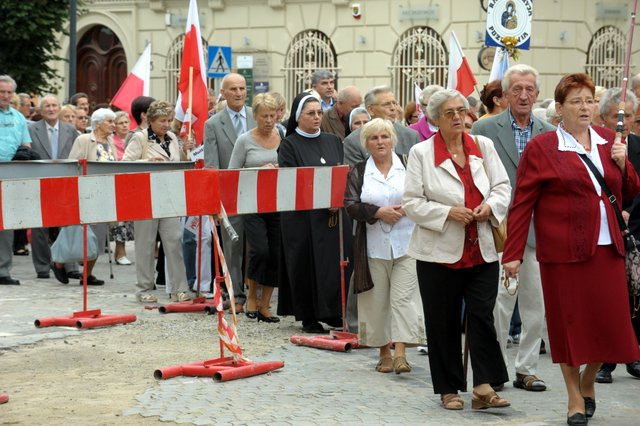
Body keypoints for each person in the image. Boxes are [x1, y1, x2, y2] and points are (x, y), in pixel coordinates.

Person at [503, 73, 640, 425]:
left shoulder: (610, 139)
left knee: (609, 324)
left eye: (589, 100)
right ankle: (574, 397)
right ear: (559, 109)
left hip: (607, 249)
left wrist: (624, 165)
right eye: (576, 101)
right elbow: (522, 204)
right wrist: (513, 254)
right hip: (562, 253)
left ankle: (589, 378)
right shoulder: (542, 148)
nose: (585, 107)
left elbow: (629, 190)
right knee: (569, 326)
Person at [403, 89, 512, 411]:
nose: (457, 117)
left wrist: (490, 206)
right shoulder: (422, 153)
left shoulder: (484, 146)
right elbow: (411, 202)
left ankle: (483, 386)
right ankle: (448, 388)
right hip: (438, 252)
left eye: (461, 111)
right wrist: (446, 212)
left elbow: (502, 186)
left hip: (481, 249)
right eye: (449, 112)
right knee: (443, 321)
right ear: (434, 119)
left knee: (481, 317)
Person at [471, 64, 555, 393]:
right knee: (500, 304)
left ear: (537, 93)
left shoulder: (549, 131)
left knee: (536, 304)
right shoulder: (485, 128)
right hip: (500, 228)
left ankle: (527, 369)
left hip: (539, 230)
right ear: (504, 95)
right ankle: (495, 369)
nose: (523, 95)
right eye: (516, 89)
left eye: (530, 89)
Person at [344, 118, 426, 374]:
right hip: (373, 246)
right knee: (376, 301)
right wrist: (378, 212)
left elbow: (424, 194)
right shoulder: (358, 171)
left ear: (393, 139)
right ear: (366, 143)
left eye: (384, 137)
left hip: (408, 244)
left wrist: (407, 208)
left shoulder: (409, 164)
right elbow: (350, 205)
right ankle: (384, 353)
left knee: (403, 299)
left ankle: (401, 353)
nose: (380, 142)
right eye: (374, 138)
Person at [277, 93, 353, 333]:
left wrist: (336, 197)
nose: (317, 117)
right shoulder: (289, 144)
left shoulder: (333, 141)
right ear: (298, 118)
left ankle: (331, 311)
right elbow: (292, 182)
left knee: (332, 264)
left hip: (332, 216)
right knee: (306, 263)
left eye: (319, 113)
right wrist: (322, 198)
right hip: (302, 218)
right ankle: (308, 315)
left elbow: (342, 174)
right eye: (311, 113)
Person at [123, 100, 194, 303]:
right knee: (145, 245)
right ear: (151, 120)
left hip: (168, 197)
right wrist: (146, 162)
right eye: (162, 120)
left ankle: (179, 288)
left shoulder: (171, 137)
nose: (166, 124)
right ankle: (144, 289)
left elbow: (176, 163)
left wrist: (184, 150)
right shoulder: (140, 138)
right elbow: (124, 164)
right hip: (145, 198)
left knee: (174, 242)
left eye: (169, 120)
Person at [593, 87, 640, 384]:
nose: (623, 124)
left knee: (635, 297)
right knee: (609, 299)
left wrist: (629, 213)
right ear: (604, 118)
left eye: (630, 117)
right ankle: (604, 361)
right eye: (617, 118)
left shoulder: (637, 145)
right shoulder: (594, 145)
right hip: (605, 234)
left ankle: (633, 354)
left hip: (634, 232)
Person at [204, 72, 257, 312]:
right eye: (233, 89)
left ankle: (257, 290)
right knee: (233, 246)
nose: (238, 93)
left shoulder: (257, 118)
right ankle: (236, 292)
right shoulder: (213, 124)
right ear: (223, 93)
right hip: (230, 196)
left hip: (258, 192)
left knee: (258, 245)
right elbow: (212, 165)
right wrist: (215, 200)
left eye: (242, 88)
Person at [228, 93, 281, 323]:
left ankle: (266, 303)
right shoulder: (244, 140)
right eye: (264, 116)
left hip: (280, 203)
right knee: (260, 250)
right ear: (255, 116)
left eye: (273, 115)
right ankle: (251, 296)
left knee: (276, 253)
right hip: (253, 203)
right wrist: (258, 172)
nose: (269, 121)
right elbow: (232, 174)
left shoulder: (283, 135)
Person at [55, 108, 118, 285]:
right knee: (77, 233)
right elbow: (72, 165)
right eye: (109, 121)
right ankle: (59, 262)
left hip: (104, 193)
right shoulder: (84, 139)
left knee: (97, 237)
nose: (113, 125)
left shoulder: (110, 141)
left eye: (113, 121)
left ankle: (87, 274)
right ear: (97, 123)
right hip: (84, 193)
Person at [28, 94, 83, 282]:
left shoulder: (70, 130)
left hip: (65, 182)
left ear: (59, 108)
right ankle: (43, 266)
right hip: (39, 182)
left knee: (68, 224)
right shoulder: (31, 129)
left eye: (54, 105)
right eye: (47, 106)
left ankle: (70, 265)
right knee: (40, 227)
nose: (51, 109)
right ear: (41, 110)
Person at [0, 75, 32, 285]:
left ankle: (3, 271)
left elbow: (26, 144)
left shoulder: (19, 118)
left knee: (5, 225)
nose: (5, 96)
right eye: (2, 92)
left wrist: (24, 154)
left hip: (10, 174)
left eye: (9, 92)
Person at [344, 86, 420, 166]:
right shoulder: (353, 141)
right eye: (387, 104)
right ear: (371, 110)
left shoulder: (411, 136)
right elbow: (356, 175)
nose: (393, 108)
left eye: (394, 103)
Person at [108, 110, 134, 266]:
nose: (125, 126)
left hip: (131, 181)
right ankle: (120, 251)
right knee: (120, 220)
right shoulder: (111, 140)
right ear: (114, 126)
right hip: (115, 181)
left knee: (128, 219)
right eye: (121, 123)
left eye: (126, 122)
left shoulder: (133, 138)